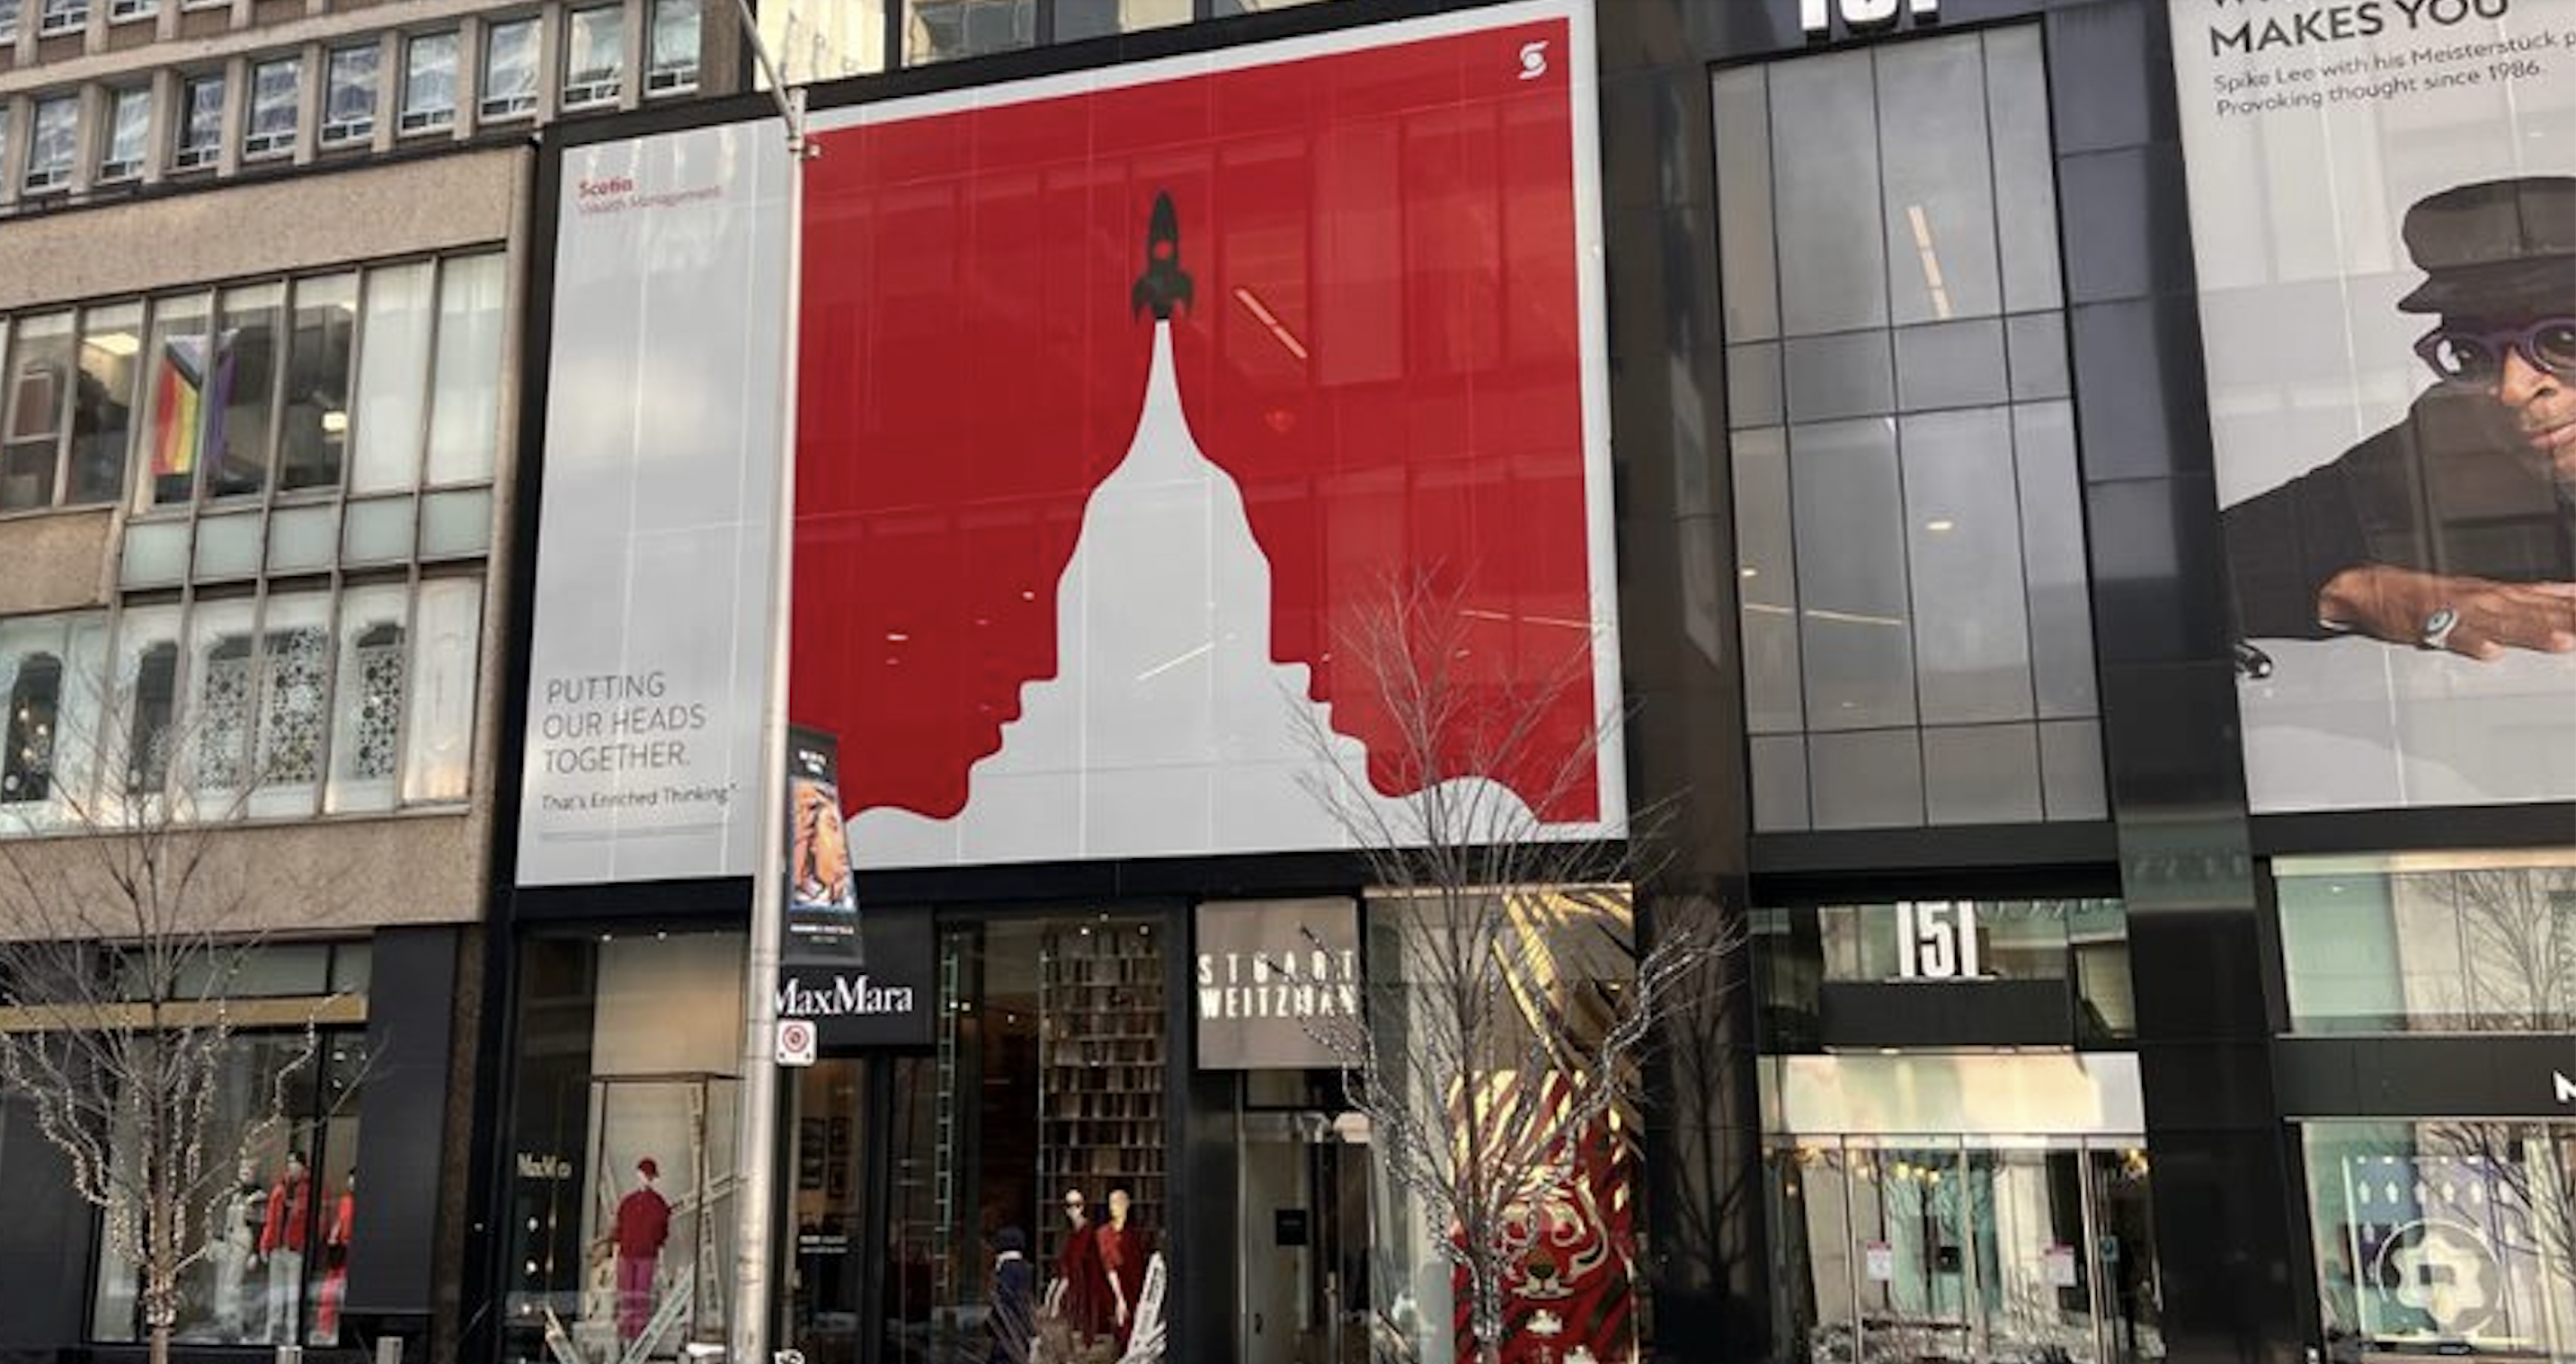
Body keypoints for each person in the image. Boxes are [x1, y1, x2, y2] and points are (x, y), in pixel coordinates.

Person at [2225, 175, 2576, 660]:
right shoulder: (2450, 445)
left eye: (2563, 342)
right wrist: (2369, 593)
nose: (2512, 390)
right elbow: (2200, 565)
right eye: (2472, 355)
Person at [614, 1156, 672, 1344]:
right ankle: (626, 1339)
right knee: (627, 1297)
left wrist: (661, 1260)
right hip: (627, 1254)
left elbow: (662, 1234)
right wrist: (616, 1254)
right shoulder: (628, 1203)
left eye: (648, 1176)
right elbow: (619, 1230)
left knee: (640, 1298)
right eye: (643, 1175)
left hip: (645, 1255)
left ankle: (637, 1340)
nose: (645, 1179)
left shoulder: (658, 1204)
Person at [254, 1151, 311, 1344]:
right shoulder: (280, 1189)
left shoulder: (309, 1190)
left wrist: (306, 1245)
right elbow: (271, 1220)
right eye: (289, 1162)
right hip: (278, 1247)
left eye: (295, 1163)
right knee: (276, 1293)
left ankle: (293, 1333)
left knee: (294, 1295)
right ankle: (272, 1332)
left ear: (303, 1166)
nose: (291, 1166)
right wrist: (265, 1244)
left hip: (296, 1249)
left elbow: (316, 1221)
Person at [1053, 1186, 1110, 1345]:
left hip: (1088, 1294)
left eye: (1077, 1205)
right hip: (1076, 1295)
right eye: (1069, 1205)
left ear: (1083, 1207)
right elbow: (1067, 1264)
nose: (1074, 1210)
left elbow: (1077, 1265)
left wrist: (1057, 1296)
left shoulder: (1089, 1233)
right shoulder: (1071, 1235)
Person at [1096, 1186, 1148, 1350]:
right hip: (1112, 1292)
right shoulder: (1103, 1233)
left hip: (1135, 1292)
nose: (1114, 1207)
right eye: (1112, 1203)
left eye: (1119, 1202)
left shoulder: (1134, 1235)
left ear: (1127, 1205)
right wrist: (1119, 1298)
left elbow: (1141, 1265)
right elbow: (1109, 1266)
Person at [987, 1226, 1035, 1364]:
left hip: (1007, 1333)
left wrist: (991, 1322)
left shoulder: (1006, 1269)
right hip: (1021, 1330)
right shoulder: (1025, 1268)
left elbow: (1004, 1300)